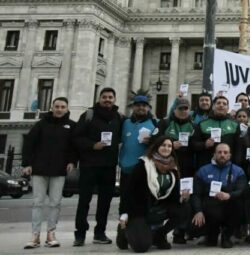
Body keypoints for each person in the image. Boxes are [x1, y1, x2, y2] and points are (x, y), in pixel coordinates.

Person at [21, 97, 77, 249]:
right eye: (57, 106)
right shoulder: (41, 124)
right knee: (37, 203)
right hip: (39, 169)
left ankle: (51, 234)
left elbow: (74, 146)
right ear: (52, 108)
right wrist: (27, 164)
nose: (59, 109)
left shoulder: (72, 126)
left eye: (62, 107)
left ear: (67, 109)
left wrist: (72, 161)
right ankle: (35, 235)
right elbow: (29, 143)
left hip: (59, 170)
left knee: (55, 203)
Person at [119, 137, 190, 252]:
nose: (166, 148)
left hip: (159, 207)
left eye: (169, 146)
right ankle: (124, 231)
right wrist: (124, 213)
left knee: (185, 208)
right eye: (163, 145)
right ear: (156, 147)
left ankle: (159, 235)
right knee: (141, 247)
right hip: (140, 210)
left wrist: (182, 197)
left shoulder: (173, 167)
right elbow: (128, 191)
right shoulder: (143, 165)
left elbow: (173, 196)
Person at [72, 87, 123, 246]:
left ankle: (100, 232)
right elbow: (76, 138)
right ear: (99, 98)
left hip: (109, 165)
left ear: (114, 99)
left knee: (105, 202)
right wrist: (93, 145)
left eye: (110, 97)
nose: (107, 99)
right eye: (104, 97)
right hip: (89, 164)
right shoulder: (88, 115)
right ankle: (80, 234)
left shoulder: (119, 118)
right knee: (84, 201)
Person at [117, 93, 158, 246]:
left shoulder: (155, 123)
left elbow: (160, 144)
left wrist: (152, 141)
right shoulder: (125, 123)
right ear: (133, 107)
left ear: (148, 108)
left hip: (145, 172)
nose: (141, 108)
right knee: (124, 203)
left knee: (144, 203)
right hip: (127, 170)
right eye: (138, 105)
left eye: (144, 105)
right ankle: (122, 232)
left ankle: (143, 232)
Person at [191, 143, 247, 248]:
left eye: (225, 153)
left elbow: (241, 190)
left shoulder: (238, 171)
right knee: (210, 243)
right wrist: (198, 211)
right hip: (210, 207)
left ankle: (227, 235)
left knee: (239, 203)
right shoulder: (203, 171)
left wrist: (229, 195)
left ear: (229, 155)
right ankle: (210, 234)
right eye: (219, 152)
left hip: (229, 205)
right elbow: (196, 193)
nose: (222, 155)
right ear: (214, 154)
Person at [191, 96, 239, 169]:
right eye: (218, 103)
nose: (221, 105)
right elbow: (193, 144)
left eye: (224, 104)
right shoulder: (202, 124)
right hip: (207, 166)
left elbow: (239, 148)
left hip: (229, 167)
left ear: (228, 108)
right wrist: (205, 144)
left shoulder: (235, 125)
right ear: (213, 107)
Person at [155, 98, 196, 178]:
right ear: (174, 110)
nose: (183, 111)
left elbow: (196, 145)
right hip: (166, 164)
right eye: (180, 108)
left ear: (189, 110)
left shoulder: (194, 126)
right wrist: (170, 145)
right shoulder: (164, 123)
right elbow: (154, 141)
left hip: (187, 167)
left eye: (186, 108)